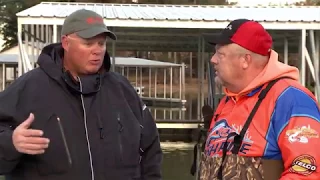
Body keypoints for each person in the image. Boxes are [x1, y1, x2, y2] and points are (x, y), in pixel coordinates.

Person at [0, 9, 162, 180]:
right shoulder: (29, 87)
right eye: (88, 43)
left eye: (101, 43)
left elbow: (150, 149)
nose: (97, 50)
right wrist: (11, 143)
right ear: (66, 43)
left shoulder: (122, 89)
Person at [200, 19, 320, 180]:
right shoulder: (228, 101)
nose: (213, 59)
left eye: (220, 54)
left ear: (245, 60)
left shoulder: (292, 100)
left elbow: (308, 172)